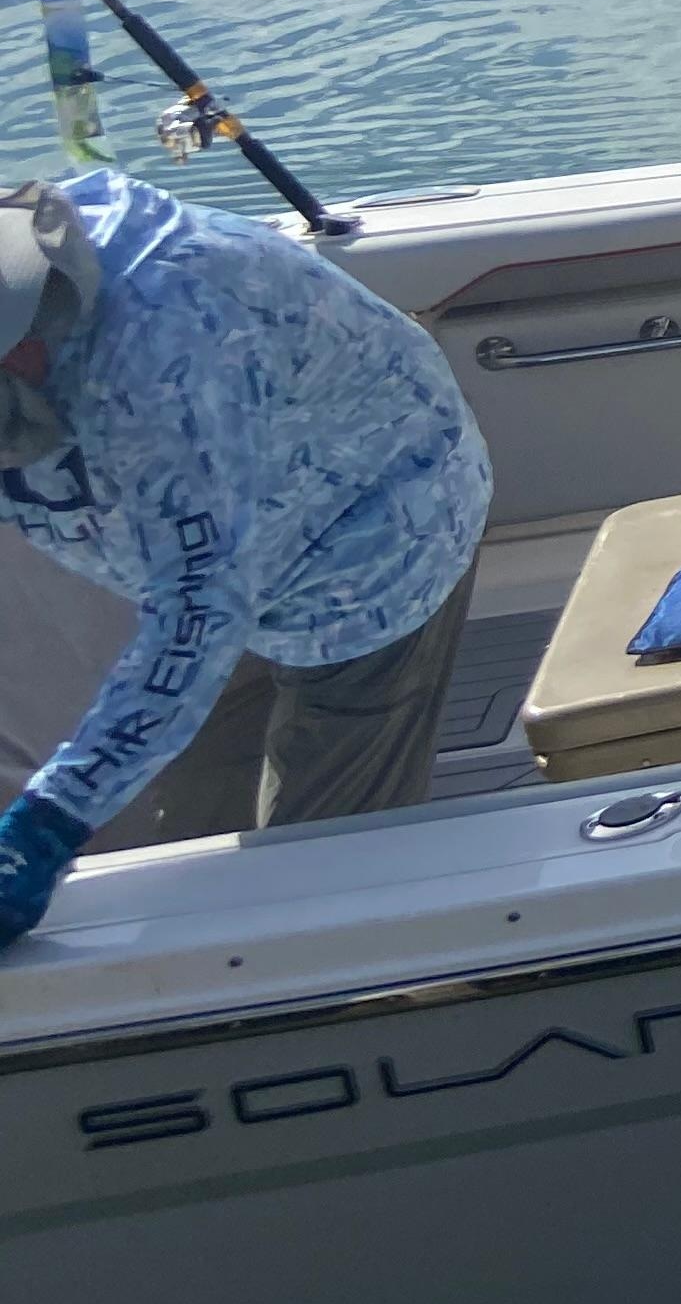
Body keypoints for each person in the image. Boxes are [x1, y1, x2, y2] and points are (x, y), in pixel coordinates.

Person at [0, 169, 493, 954]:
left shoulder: (164, 360)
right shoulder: (22, 292)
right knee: (191, 845)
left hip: (371, 546)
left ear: (25, 337)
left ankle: (371, 999)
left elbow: (199, 610)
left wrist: (48, 821)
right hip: (210, 547)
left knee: (321, 895)